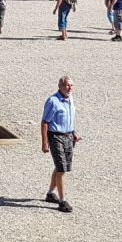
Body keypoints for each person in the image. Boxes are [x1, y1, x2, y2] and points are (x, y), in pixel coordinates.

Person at [40, 75, 80, 213]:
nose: (69, 88)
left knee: (60, 167)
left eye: (71, 85)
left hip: (69, 137)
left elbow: (69, 118)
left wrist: (73, 132)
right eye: (67, 85)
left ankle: (50, 193)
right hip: (56, 137)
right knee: (61, 169)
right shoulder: (53, 101)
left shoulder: (70, 99)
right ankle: (62, 201)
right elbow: (45, 122)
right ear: (60, 86)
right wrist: (45, 143)